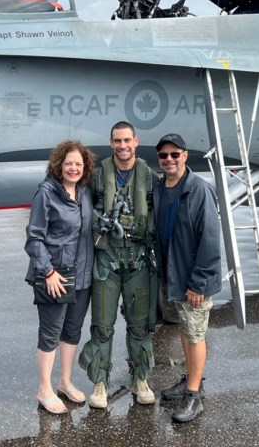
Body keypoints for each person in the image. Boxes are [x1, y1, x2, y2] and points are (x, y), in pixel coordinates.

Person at [79, 121, 160, 409]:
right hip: (107, 260)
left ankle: (141, 379)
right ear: (111, 142)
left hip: (138, 260)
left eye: (127, 140)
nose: (122, 146)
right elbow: (82, 213)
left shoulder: (151, 177)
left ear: (136, 141)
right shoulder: (98, 176)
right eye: (117, 141)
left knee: (139, 327)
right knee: (102, 326)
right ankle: (100, 382)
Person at [153, 133, 221, 423]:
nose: (169, 159)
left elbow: (209, 239)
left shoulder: (198, 190)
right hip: (173, 275)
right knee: (184, 329)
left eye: (174, 154)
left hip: (193, 280)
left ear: (185, 155)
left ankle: (193, 395)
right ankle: (191, 378)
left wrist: (199, 282)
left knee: (195, 335)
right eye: (164, 155)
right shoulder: (160, 188)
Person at [25, 140, 96, 414]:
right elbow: (34, 239)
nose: (74, 168)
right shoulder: (46, 193)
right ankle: (45, 388)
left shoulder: (83, 192)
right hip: (56, 274)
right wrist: (48, 272)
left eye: (79, 164)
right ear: (59, 165)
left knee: (72, 330)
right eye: (69, 163)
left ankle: (65, 381)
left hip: (82, 275)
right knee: (50, 333)